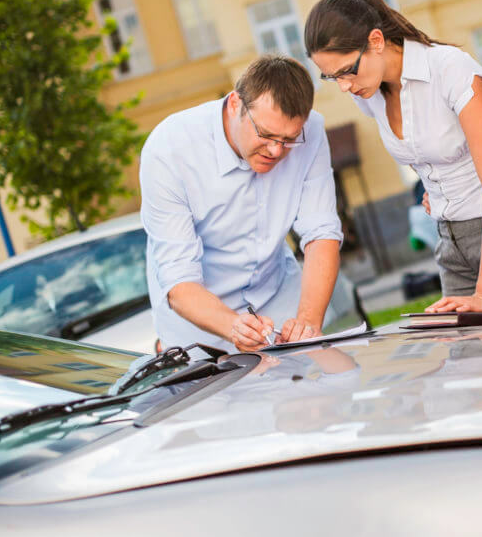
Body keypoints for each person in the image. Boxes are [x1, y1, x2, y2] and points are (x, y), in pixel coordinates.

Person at [305, 0, 482, 325]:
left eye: (347, 70)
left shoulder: (449, 69)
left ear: (376, 41)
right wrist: (439, 192)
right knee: (476, 371)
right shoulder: (369, 94)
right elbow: (431, 153)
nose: (344, 86)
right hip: (451, 244)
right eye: (332, 77)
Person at [140, 54, 343, 353]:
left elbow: (322, 232)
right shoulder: (169, 149)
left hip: (277, 295)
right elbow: (179, 279)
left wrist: (308, 321)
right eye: (266, 134)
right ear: (235, 104)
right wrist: (232, 325)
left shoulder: (311, 130)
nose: (276, 150)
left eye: (288, 140)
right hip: (200, 322)